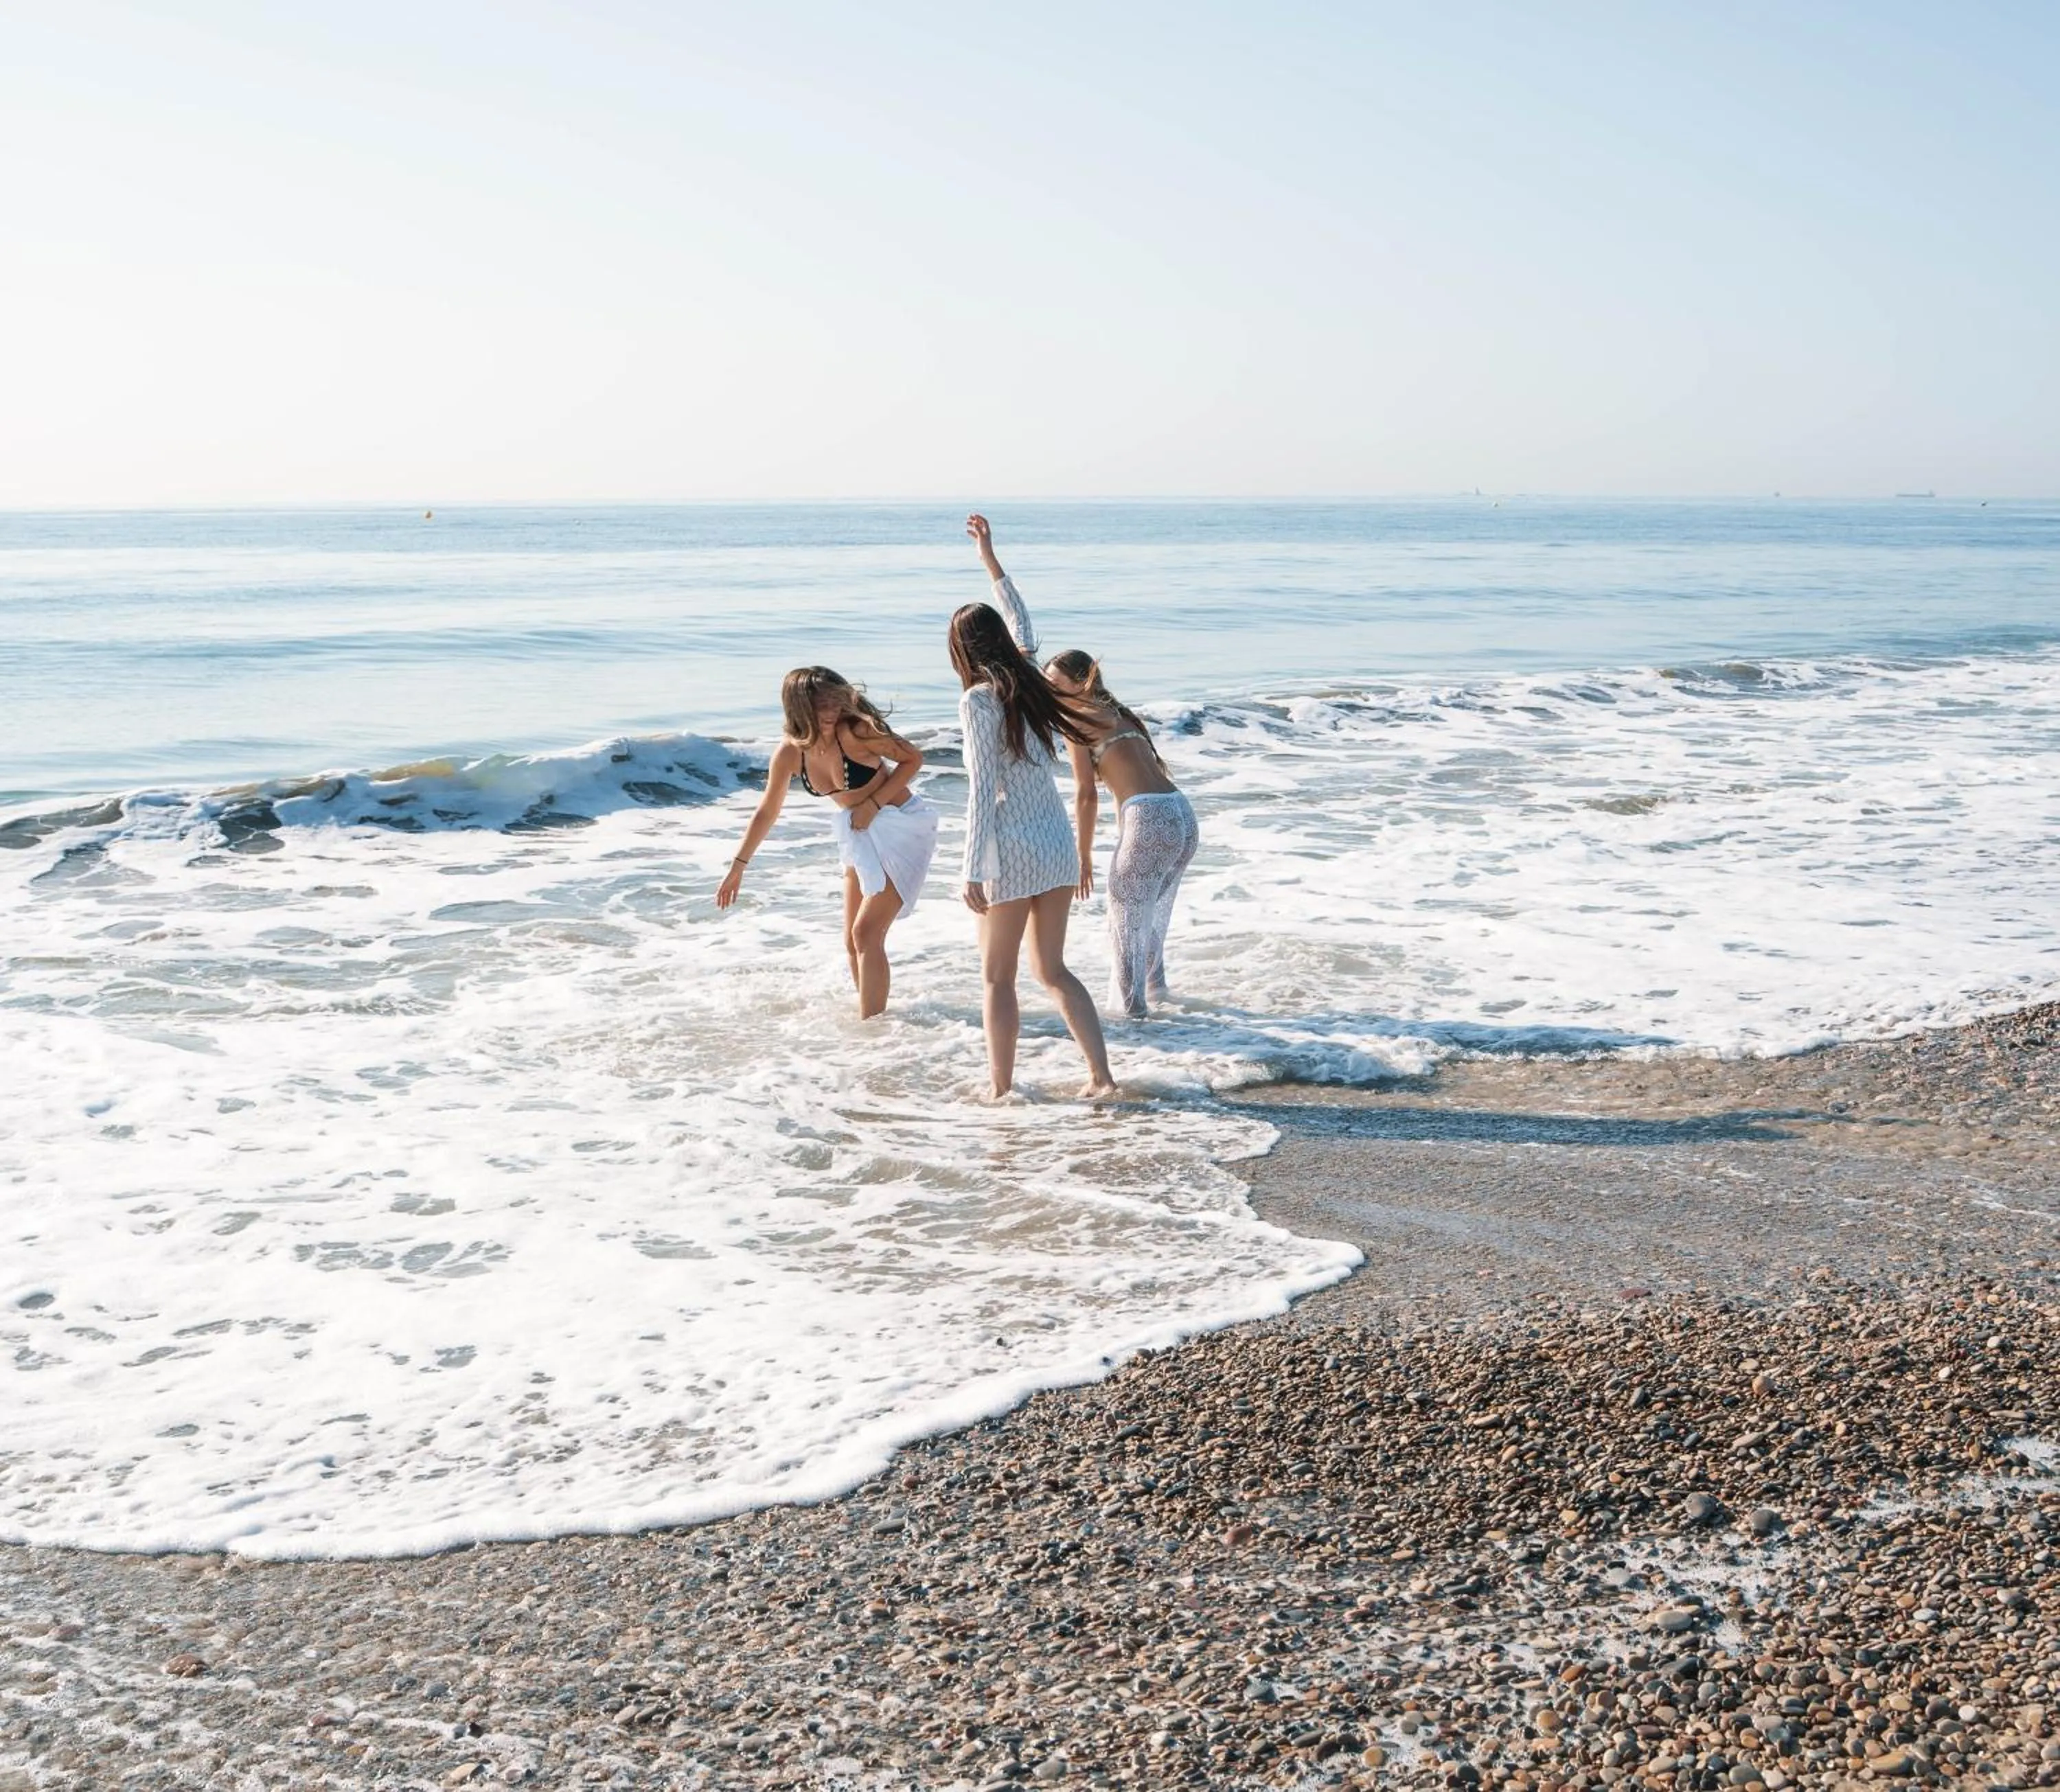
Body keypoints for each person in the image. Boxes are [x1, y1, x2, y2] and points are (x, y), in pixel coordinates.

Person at [953, 514, 1117, 1099]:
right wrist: (989, 558)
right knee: (1053, 970)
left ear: (960, 651)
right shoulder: (1032, 681)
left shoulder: (979, 699)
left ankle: (1000, 1090)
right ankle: (1101, 1077)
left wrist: (972, 868)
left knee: (997, 978)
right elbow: (1022, 621)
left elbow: (981, 788)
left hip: (1013, 850)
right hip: (1057, 845)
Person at [716, 667, 937, 1018]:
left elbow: (912, 758)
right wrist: (738, 867)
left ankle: (873, 1028)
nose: (832, 712)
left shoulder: (857, 732)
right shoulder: (790, 754)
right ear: (799, 708)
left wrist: (873, 803)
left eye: (835, 702)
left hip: (902, 826)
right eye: (821, 706)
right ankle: (875, 1022)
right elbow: (767, 811)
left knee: (867, 933)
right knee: (851, 941)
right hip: (859, 834)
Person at [1043, 647, 1198, 1018]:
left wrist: (1082, 857)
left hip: (1149, 817)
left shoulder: (1077, 721)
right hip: (1181, 813)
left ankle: (1134, 1020)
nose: (1049, 691)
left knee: (1125, 926)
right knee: (1149, 918)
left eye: (1055, 684)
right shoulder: (1122, 714)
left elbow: (1086, 794)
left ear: (1082, 683)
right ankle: (1158, 996)